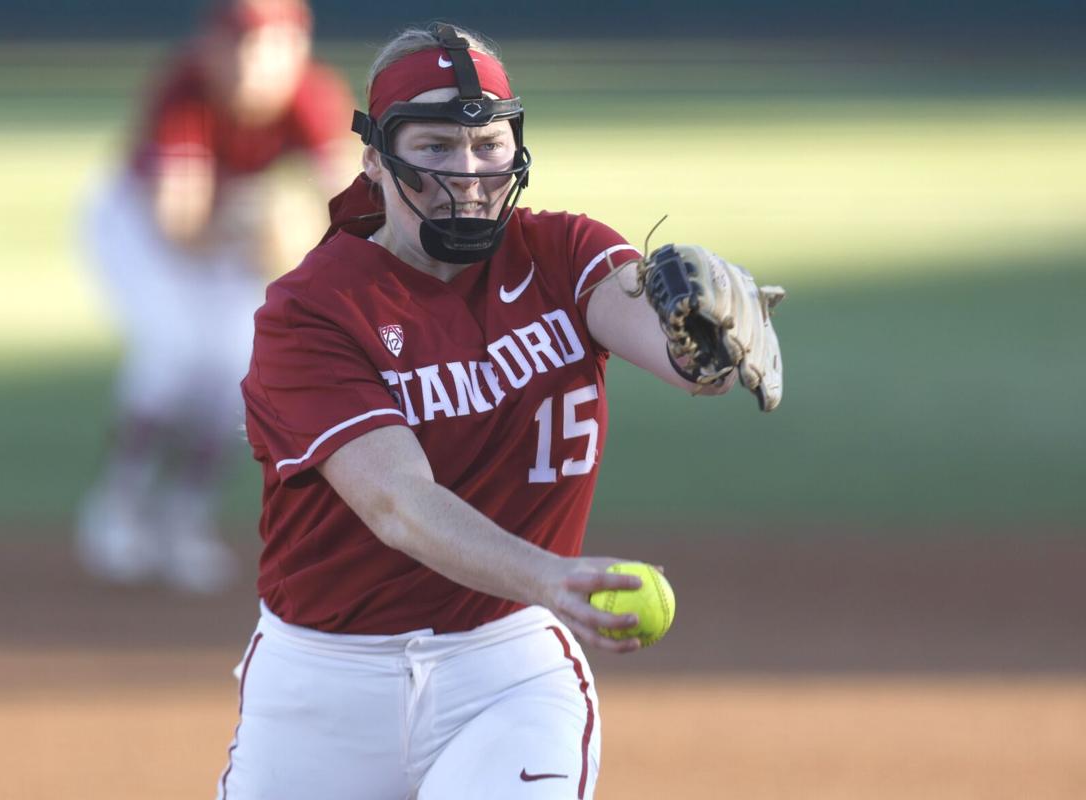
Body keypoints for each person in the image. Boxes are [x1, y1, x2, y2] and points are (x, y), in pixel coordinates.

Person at [219, 22, 783, 799]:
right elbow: (397, 503)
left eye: (488, 144)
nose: (471, 172)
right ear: (376, 161)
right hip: (319, 692)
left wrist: (707, 345)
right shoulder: (313, 312)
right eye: (437, 147)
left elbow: (671, 351)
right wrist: (548, 577)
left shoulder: (564, 253)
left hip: (506, 671)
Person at [76, 0, 354, 593]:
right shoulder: (183, 91)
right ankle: (120, 505)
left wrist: (303, 237)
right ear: (211, 45)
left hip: (227, 225)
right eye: (241, 44)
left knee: (239, 367)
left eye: (272, 44)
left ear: (298, 47)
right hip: (137, 223)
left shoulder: (312, 95)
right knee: (174, 352)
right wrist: (262, 228)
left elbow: (352, 210)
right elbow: (178, 227)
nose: (255, 60)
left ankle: (184, 518)